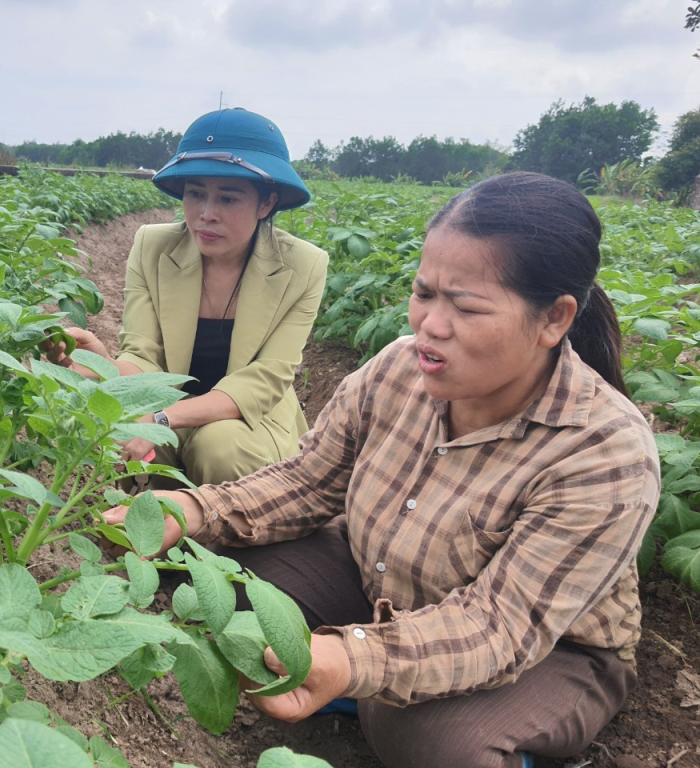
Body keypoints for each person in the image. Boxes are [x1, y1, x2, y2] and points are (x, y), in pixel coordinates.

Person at [104, 171, 660, 768]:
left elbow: (500, 627)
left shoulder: (604, 451)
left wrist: (353, 660)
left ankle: (470, 726)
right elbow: (306, 482)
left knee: (431, 740)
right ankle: (353, 672)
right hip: (378, 577)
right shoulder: (399, 368)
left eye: (466, 306)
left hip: (545, 649)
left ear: (554, 319)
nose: (431, 326)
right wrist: (194, 509)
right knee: (213, 580)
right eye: (425, 294)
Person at [47, 108, 328, 487]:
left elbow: (265, 380)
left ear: (266, 204)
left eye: (228, 199)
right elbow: (144, 356)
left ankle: (234, 541)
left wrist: (160, 418)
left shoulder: (302, 267)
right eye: (196, 194)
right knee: (128, 436)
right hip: (166, 406)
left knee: (218, 445)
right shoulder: (152, 246)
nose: (206, 214)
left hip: (247, 423)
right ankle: (149, 537)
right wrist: (103, 366)